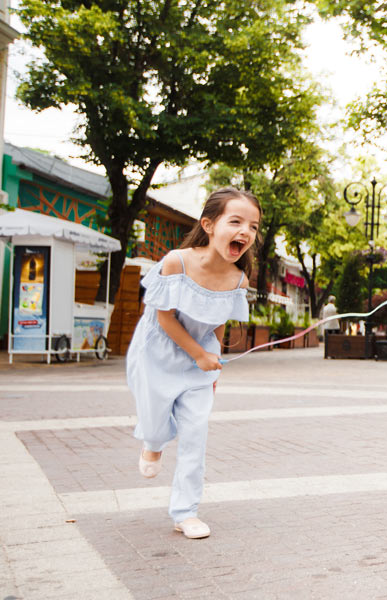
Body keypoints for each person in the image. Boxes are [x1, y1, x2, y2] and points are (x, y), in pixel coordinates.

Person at [127, 187, 258, 539]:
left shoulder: (238, 280)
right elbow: (165, 319)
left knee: (195, 434)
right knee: (155, 426)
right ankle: (152, 443)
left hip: (198, 362)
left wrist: (209, 357)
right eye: (236, 221)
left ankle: (185, 512)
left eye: (253, 226)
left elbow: (217, 321)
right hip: (158, 354)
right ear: (209, 225)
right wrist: (199, 354)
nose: (246, 231)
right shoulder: (176, 261)